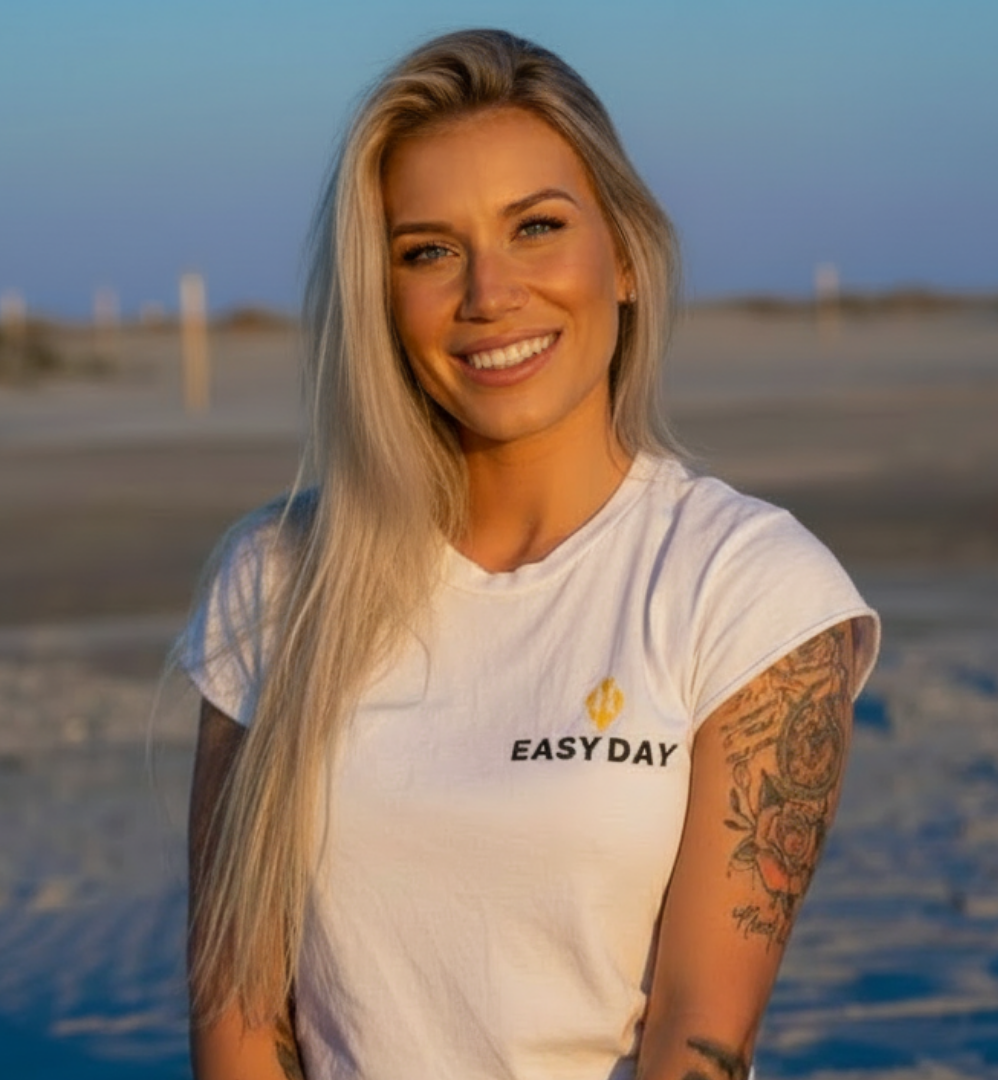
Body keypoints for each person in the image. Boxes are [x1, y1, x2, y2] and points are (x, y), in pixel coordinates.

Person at [179, 28, 879, 1080]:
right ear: (380, 299)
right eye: (427, 249)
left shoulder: (746, 588)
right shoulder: (279, 575)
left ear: (627, 259)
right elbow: (235, 1017)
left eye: (536, 228)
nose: (487, 294)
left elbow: (699, 1040)